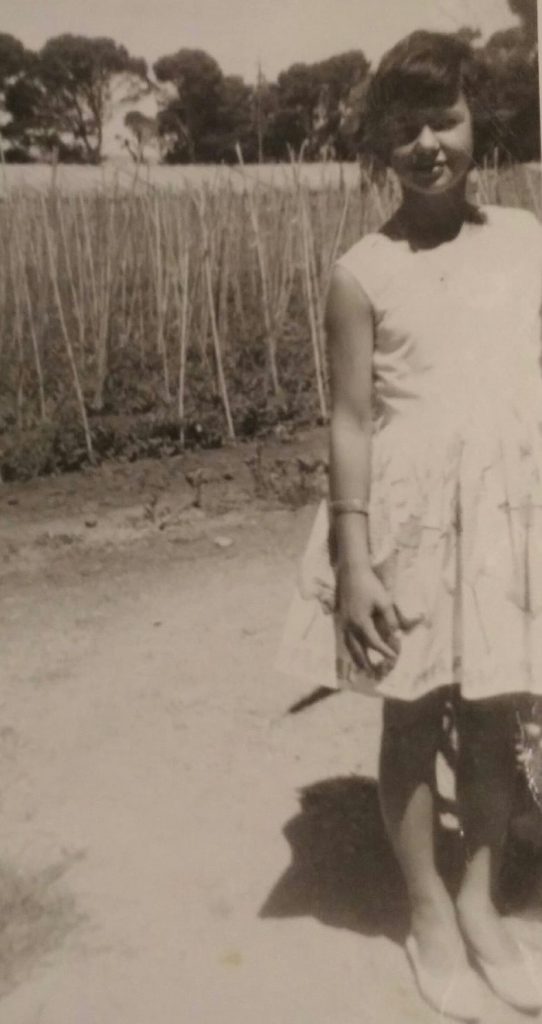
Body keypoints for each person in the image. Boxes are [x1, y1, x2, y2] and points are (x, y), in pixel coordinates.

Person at [278, 30, 542, 1021]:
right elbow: (348, 420)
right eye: (405, 128)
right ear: (377, 147)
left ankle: (478, 903)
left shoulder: (524, 239)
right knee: (407, 713)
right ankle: (426, 911)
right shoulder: (361, 270)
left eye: (446, 119)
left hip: (507, 515)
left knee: (491, 720)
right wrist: (352, 562)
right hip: (404, 525)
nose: (429, 143)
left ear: (478, 123)